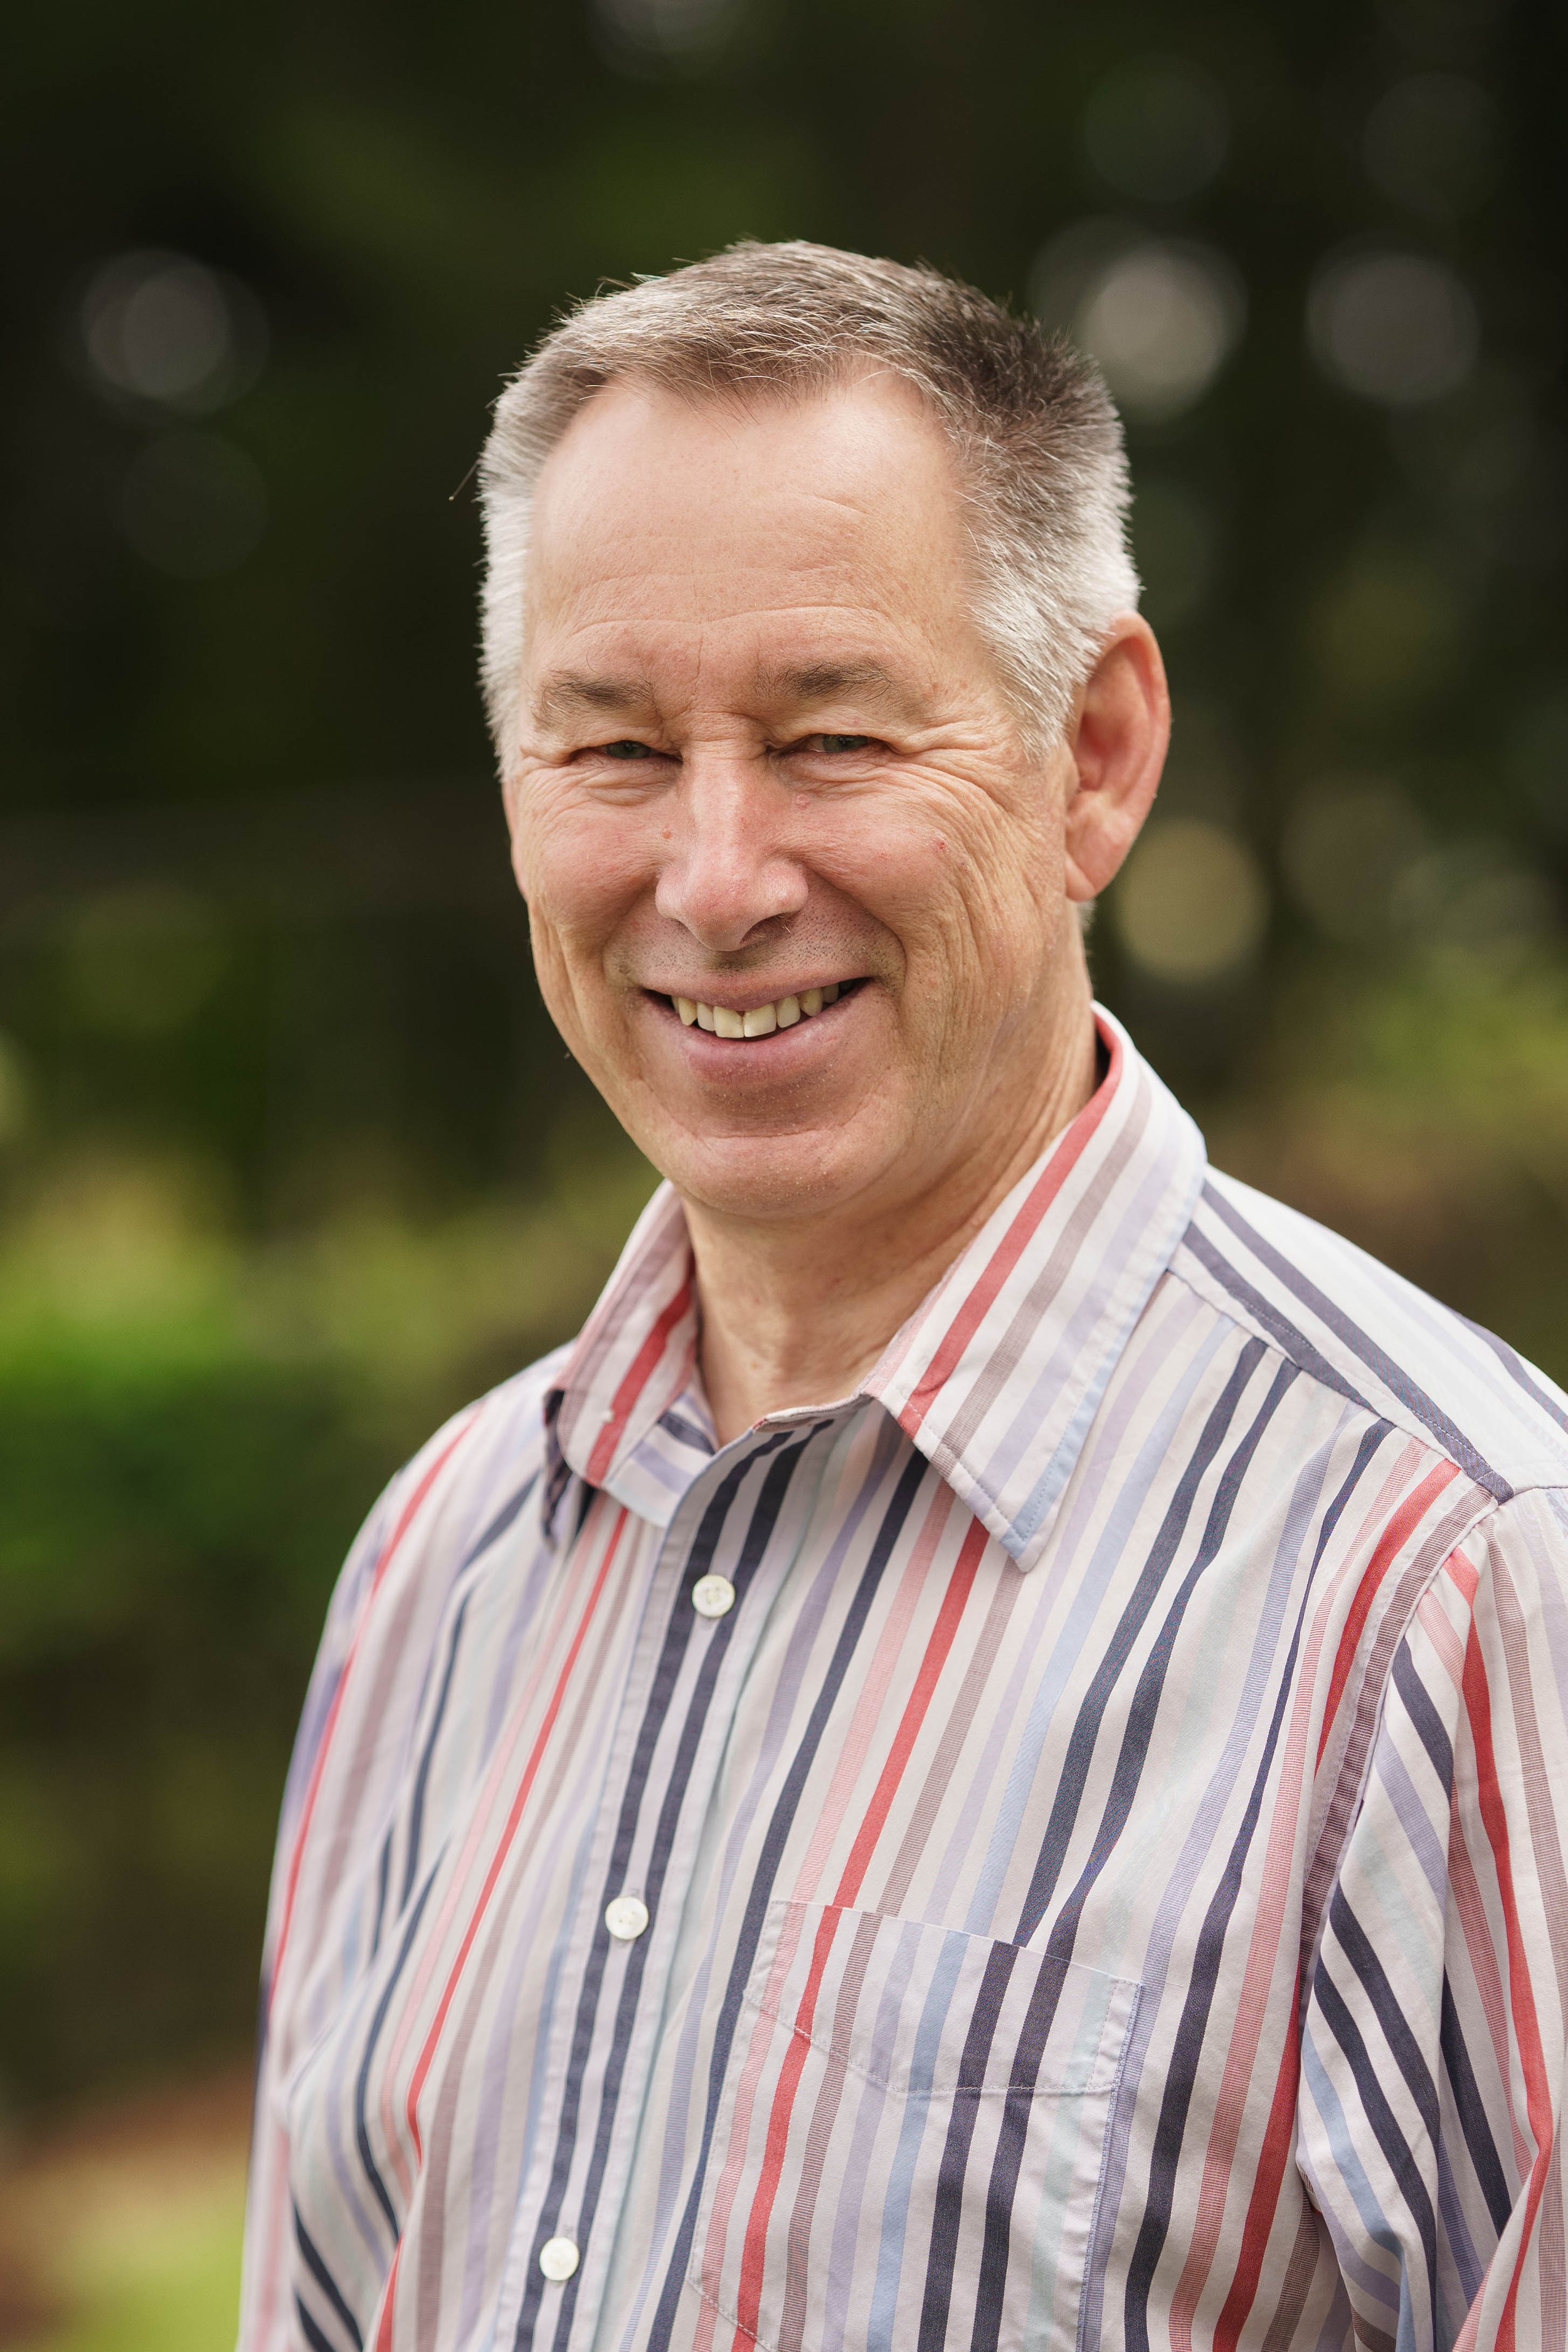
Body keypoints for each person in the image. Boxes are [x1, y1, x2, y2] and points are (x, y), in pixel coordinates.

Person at [237, 243, 1568, 2352]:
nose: (713, 876)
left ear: (1096, 756)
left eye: (831, 734)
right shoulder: (437, 1566)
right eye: (609, 750)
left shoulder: (1449, 1581)